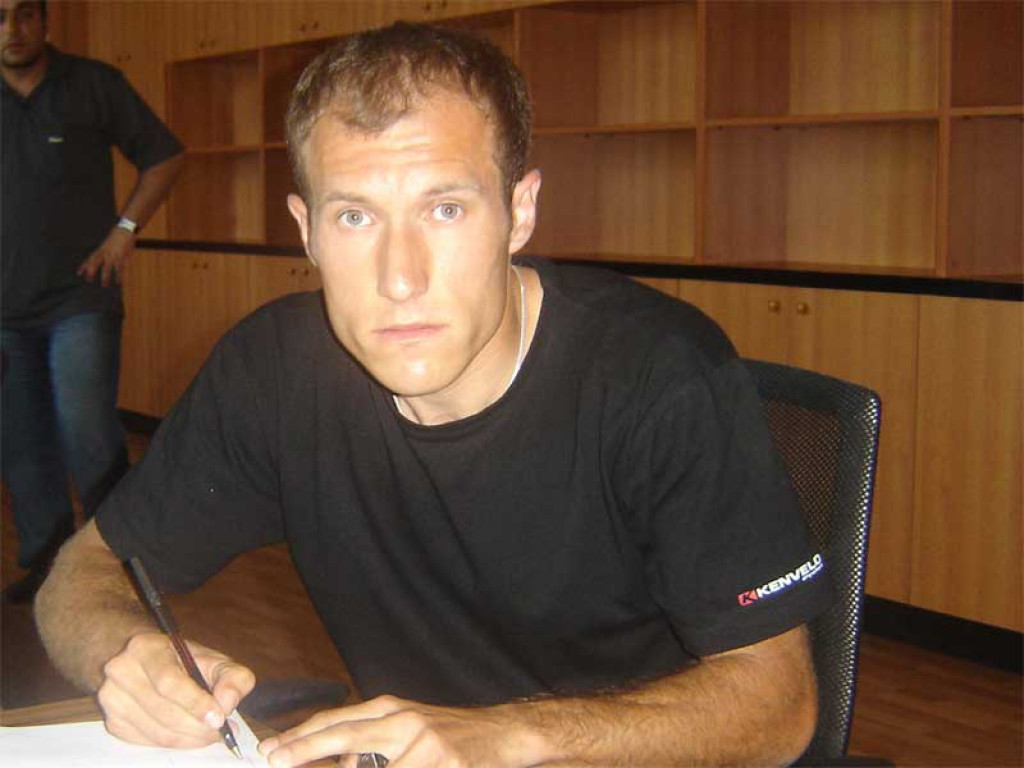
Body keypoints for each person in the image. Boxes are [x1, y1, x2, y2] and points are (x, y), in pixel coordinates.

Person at [36, 21, 832, 766]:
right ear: (306, 230)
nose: (400, 278)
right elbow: (81, 575)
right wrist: (126, 655)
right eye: (355, 217)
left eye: (445, 209)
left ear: (519, 211)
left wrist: (506, 738)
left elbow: (781, 704)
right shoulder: (274, 372)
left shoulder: (657, 374)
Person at [0, 0, 184, 602]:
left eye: (24, 14)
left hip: (81, 299)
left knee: (90, 437)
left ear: (45, 21)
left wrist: (124, 231)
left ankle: (119, 570)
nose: (11, 30)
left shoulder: (92, 84)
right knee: (22, 445)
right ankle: (48, 571)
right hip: (5, 311)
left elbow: (164, 155)